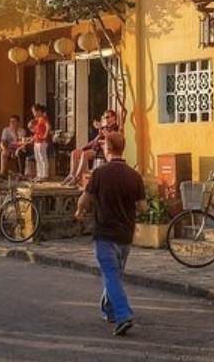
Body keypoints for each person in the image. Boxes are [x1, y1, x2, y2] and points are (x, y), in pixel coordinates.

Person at [74, 133, 145, 337]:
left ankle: (123, 315)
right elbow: (142, 206)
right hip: (126, 234)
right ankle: (109, 309)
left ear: (108, 148)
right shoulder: (134, 176)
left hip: (105, 233)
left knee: (111, 275)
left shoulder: (99, 173)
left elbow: (84, 199)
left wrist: (79, 212)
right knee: (113, 274)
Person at [64, 110, 120, 187]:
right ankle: (72, 174)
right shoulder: (105, 128)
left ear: (113, 118)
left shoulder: (116, 128)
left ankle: (77, 177)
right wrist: (84, 147)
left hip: (102, 150)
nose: (106, 119)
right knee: (75, 153)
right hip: (95, 148)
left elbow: (110, 138)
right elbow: (95, 139)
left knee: (85, 154)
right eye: (105, 117)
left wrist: (101, 129)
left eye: (107, 117)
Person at [30, 104, 51, 181]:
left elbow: (48, 126)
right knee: (37, 158)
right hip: (37, 141)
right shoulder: (37, 119)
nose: (34, 114)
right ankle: (39, 174)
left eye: (34, 112)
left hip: (42, 141)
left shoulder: (43, 118)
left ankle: (45, 175)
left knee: (43, 158)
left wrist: (45, 134)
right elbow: (36, 131)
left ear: (39, 111)